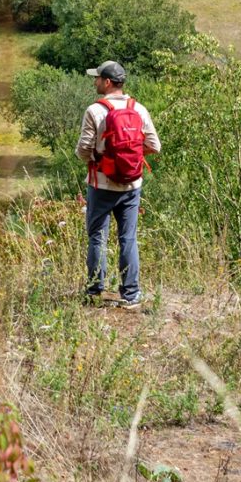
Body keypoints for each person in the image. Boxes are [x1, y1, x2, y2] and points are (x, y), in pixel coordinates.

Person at [74, 60, 160, 308]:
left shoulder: (95, 110)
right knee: (128, 238)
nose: (95, 82)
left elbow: (82, 151)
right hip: (132, 185)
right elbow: (155, 145)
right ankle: (131, 294)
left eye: (98, 78)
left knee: (97, 238)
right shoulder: (139, 109)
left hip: (101, 185)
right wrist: (131, 158)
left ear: (108, 82)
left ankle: (94, 291)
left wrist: (101, 160)